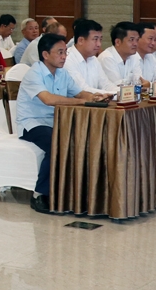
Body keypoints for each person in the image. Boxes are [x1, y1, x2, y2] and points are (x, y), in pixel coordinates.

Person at [15, 33, 108, 214]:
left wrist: (97, 97)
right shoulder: (34, 73)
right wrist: (82, 102)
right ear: (45, 54)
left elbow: (80, 94)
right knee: (55, 143)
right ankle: (39, 194)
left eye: (65, 52)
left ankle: (71, 192)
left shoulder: (62, 73)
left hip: (56, 122)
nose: (64, 56)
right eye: (60, 52)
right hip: (32, 124)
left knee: (85, 138)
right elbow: (48, 99)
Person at [64, 19, 117, 95]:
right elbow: (83, 90)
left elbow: (106, 85)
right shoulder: (68, 60)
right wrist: (114, 94)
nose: (99, 44)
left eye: (100, 39)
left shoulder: (93, 59)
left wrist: (123, 92)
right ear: (80, 40)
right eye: (95, 39)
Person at [97, 22, 146, 86]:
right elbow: (118, 86)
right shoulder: (107, 58)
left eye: (137, 40)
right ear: (118, 42)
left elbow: (140, 81)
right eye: (131, 40)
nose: (135, 44)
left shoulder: (134, 56)